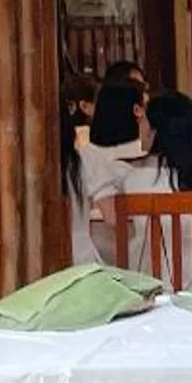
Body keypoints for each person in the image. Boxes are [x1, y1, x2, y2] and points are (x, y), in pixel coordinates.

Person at [112, 92, 192, 281]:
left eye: (143, 120)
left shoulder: (133, 178)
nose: (139, 126)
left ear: (156, 130)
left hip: (148, 281)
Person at [69, 80, 149, 265]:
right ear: (137, 111)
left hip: (94, 255)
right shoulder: (148, 157)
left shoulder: (84, 156)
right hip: (145, 254)